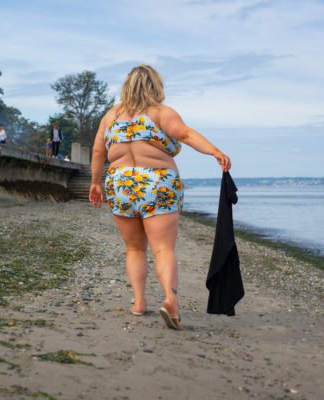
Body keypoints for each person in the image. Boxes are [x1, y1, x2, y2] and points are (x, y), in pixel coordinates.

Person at [89, 64, 230, 330]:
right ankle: (170, 300)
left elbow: (98, 151)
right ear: (156, 86)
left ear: (126, 87)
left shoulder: (111, 116)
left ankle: (139, 302)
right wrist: (215, 151)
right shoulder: (161, 113)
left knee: (134, 248)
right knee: (163, 248)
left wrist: (95, 183)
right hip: (157, 183)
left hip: (121, 184)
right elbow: (186, 135)